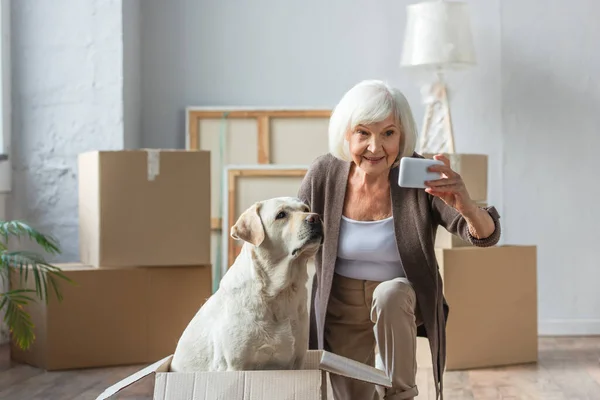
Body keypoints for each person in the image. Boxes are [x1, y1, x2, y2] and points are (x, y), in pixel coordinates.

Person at [297, 80, 501, 400]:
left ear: (402, 135)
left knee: (390, 294)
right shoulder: (324, 173)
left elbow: (485, 235)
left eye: (388, 133)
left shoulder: (420, 177)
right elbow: (293, 232)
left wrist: (464, 202)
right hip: (341, 304)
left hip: (402, 297)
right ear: (346, 134)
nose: (376, 147)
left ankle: (401, 394)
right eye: (363, 132)